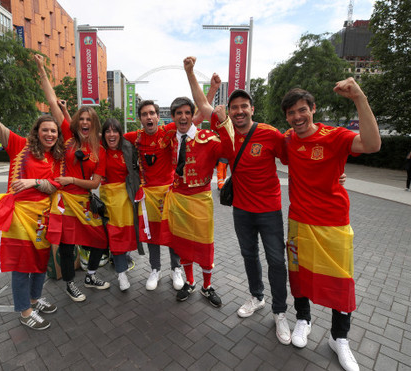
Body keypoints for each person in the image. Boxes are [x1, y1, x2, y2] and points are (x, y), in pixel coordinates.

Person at [184, 56, 290, 342]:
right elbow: (203, 105)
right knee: (248, 255)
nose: (239, 110)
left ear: (252, 109)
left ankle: (280, 312)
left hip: (269, 211)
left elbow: (296, 159)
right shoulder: (225, 133)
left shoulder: (269, 134)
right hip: (241, 209)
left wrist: (336, 175)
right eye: (234, 107)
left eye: (244, 106)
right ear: (229, 112)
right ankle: (257, 297)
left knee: (277, 261)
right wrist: (190, 73)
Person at [281, 79, 381, 371]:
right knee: (298, 275)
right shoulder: (288, 138)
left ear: (313, 109)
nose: (297, 117)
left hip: (334, 223)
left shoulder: (335, 136)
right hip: (299, 222)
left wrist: (359, 97)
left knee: (340, 282)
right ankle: (303, 319)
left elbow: (373, 144)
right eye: (291, 113)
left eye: (302, 110)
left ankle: (340, 338)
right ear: (286, 117)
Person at [0, 75, 63, 331]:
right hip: (18, 218)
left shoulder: (56, 159)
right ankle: (25, 311)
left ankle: (34, 298)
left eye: (53, 131)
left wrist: (33, 182)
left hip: (42, 219)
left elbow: (53, 186)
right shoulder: (19, 145)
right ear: (37, 131)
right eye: (46, 130)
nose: (50, 134)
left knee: (40, 263)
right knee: (21, 266)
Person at [34, 54, 110, 300]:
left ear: (94, 124)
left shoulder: (100, 150)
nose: (85, 122)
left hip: (85, 201)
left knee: (99, 240)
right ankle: (69, 283)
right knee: (67, 246)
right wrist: (42, 71)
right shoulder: (67, 135)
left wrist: (73, 181)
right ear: (77, 122)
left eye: (89, 119)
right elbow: (51, 101)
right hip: (64, 203)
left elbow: (96, 183)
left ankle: (90, 275)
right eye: (82, 119)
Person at [161, 93, 223, 307]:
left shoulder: (208, 138)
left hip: (200, 199)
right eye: (179, 113)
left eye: (188, 113)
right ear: (173, 117)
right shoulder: (170, 137)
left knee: (205, 245)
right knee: (183, 244)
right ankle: (190, 281)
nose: (184, 117)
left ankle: (207, 286)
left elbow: (228, 146)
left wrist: (212, 94)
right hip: (178, 199)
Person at [124, 101, 184, 291]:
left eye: (151, 113)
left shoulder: (169, 131)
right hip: (148, 194)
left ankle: (176, 268)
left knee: (173, 232)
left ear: (158, 116)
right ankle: (155, 269)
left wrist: (212, 91)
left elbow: (195, 116)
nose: (148, 117)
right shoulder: (135, 137)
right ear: (140, 118)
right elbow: (111, 135)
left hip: (169, 192)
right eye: (144, 114)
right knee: (151, 234)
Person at [100, 118, 141, 291]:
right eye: (107, 131)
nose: (111, 134)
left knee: (129, 233)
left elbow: (144, 135)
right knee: (115, 235)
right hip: (110, 199)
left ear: (120, 133)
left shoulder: (128, 147)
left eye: (114, 130)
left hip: (127, 198)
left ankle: (125, 258)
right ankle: (121, 273)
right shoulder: (99, 150)